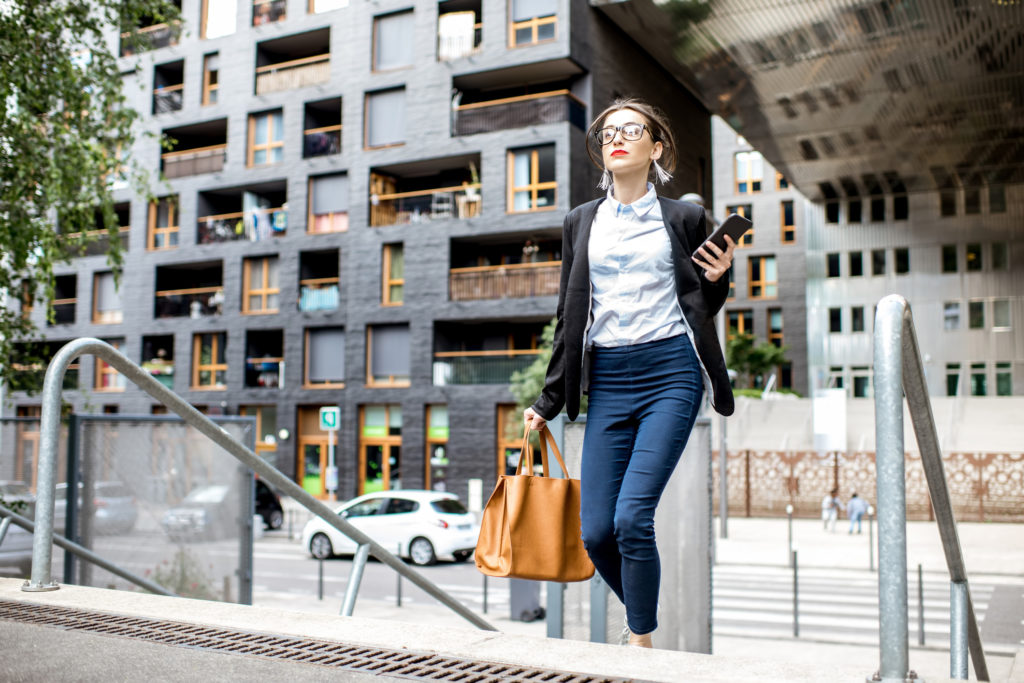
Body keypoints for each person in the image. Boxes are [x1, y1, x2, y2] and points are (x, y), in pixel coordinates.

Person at [523, 98, 736, 648]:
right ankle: (642, 605)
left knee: (632, 518)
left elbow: (701, 302)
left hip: (671, 372)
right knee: (596, 532)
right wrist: (546, 402)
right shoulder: (580, 223)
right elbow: (570, 316)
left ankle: (641, 639)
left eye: (631, 130)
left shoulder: (683, 218)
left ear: (655, 147)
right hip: (610, 380)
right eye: (608, 132)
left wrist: (718, 278)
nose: (617, 138)